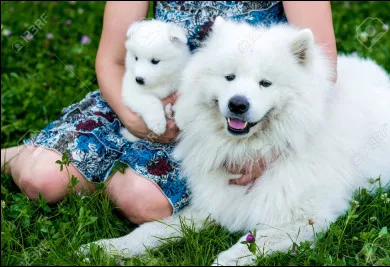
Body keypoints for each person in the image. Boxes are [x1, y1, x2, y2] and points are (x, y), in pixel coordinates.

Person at [0, 1, 337, 225]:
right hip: (136, 97)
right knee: (37, 179)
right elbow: (112, 61)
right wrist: (132, 117)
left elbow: (320, 71)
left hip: (219, 128)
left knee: (141, 203)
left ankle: (89, 172)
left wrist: (269, 150)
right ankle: (31, 158)